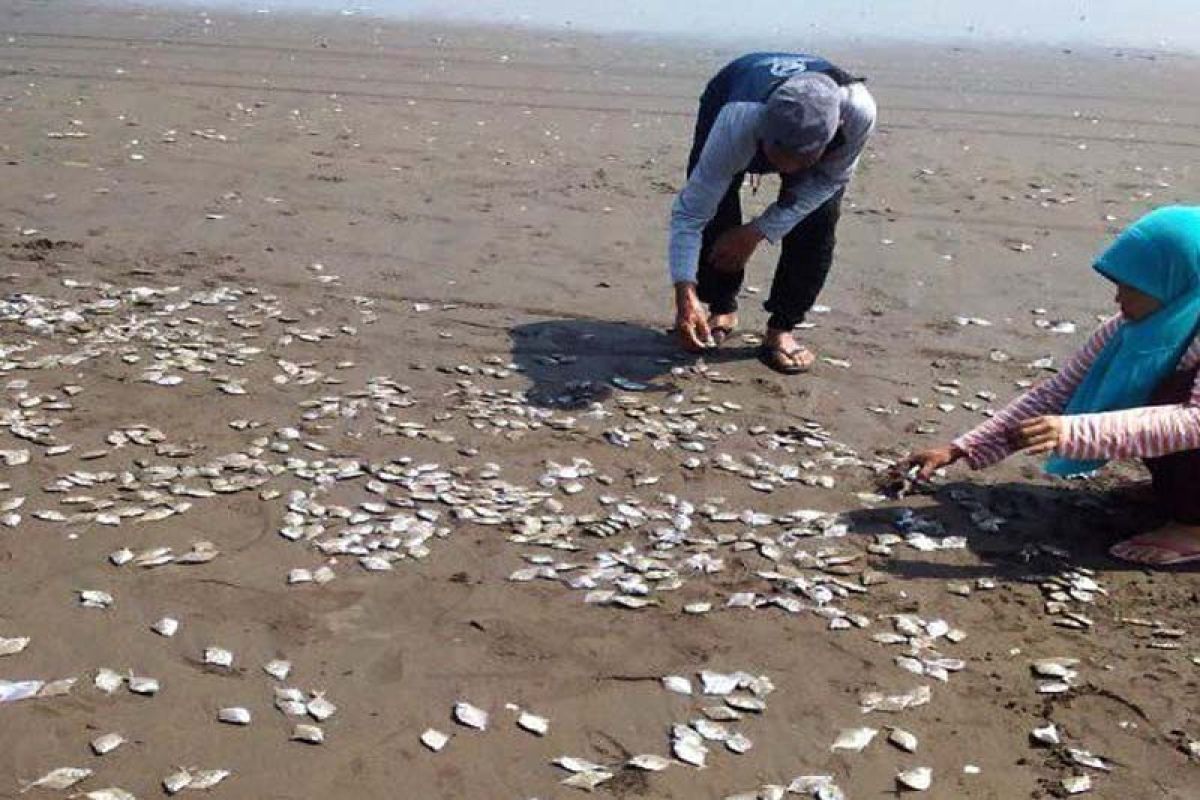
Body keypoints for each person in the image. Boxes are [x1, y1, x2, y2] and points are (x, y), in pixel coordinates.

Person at [908, 206, 1200, 567]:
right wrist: (959, 448)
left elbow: (1194, 422)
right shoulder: (1133, 329)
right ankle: (1176, 494)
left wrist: (1072, 431)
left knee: (1176, 406)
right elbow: (1059, 392)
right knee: (1152, 394)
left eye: (1131, 287)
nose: (1118, 299)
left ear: (1180, 280)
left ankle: (1194, 526)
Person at [667, 52, 877, 373]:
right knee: (716, 208)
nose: (784, 168)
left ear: (836, 130)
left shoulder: (858, 113)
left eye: (799, 159)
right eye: (776, 155)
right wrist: (685, 291)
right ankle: (719, 306)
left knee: (816, 222)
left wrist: (757, 231)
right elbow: (691, 213)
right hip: (733, 86)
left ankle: (782, 328)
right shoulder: (737, 120)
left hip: (817, 144)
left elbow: (831, 179)